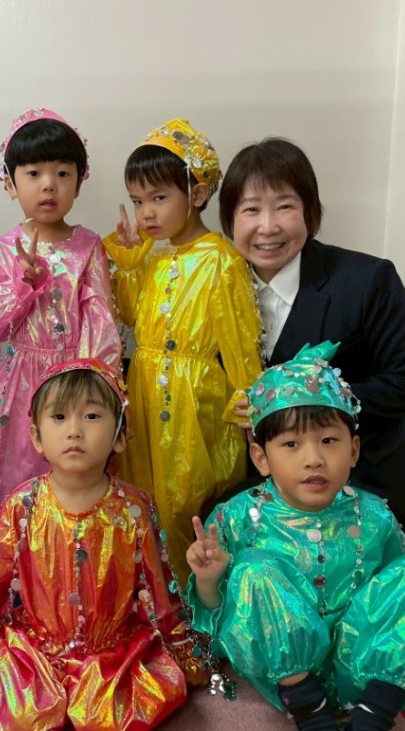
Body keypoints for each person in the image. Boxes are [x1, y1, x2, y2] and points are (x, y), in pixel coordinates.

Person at [186, 343, 405, 731]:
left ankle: (371, 720)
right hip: (289, 677)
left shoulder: (373, 515)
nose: (313, 459)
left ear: (353, 450)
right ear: (261, 457)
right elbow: (219, 615)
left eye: (329, 441)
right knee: (254, 571)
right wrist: (209, 580)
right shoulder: (238, 517)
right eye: (291, 444)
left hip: (364, 669)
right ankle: (312, 717)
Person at [0, 359, 207, 731]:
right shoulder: (22, 505)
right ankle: (46, 695)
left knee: (108, 723)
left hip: (112, 653)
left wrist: (182, 648)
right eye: (59, 417)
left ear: (119, 435)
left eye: (91, 416)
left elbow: (160, 586)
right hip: (36, 650)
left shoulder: (134, 507)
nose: (74, 430)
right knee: (29, 721)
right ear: (37, 437)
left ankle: (92, 698)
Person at [218, 137, 405, 530]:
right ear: (229, 219)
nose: (268, 226)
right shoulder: (214, 288)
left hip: (362, 474)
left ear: (310, 211)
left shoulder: (366, 280)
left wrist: (316, 396)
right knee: (213, 521)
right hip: (264, 477)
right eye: (251, 209)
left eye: (285, 206)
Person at [104, 118, 262, 583]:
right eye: (137, 201)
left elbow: (239, 339)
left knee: (187, 496)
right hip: (146, 388)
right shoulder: (155, 257)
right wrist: (129, 264)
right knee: (142, 491)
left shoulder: (222, 259)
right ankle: (153, 588)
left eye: (158, 198)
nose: (146, 213)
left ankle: (195, 593)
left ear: (197, 193)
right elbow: (129, 316)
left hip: (195, 401)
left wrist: (250, 396)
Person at [0, 108, 121, 526]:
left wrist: (96, 387)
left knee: (78, 472)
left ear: (79, 181)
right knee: (18, 472)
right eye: (34, 173)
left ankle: (73, 555)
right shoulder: (3, 250)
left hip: (77, 380)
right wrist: (23, 283)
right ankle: (16, 555)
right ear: (10, 183)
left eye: (62, 173)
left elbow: (101, 324)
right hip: (21, 384)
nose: (48, 184)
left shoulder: (88, 246)